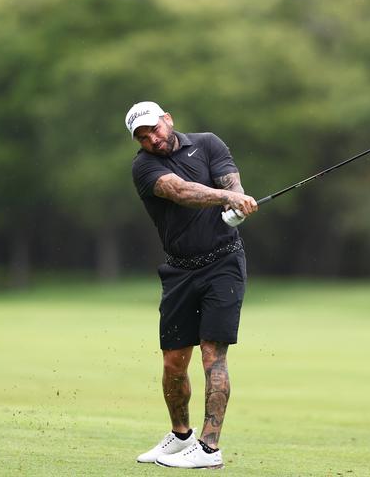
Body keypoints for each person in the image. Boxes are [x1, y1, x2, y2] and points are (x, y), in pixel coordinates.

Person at [125, 101, 258, 469]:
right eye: (142, 136)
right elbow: (181, 191)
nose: (152, 138)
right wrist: (227, 198)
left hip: (223, 264)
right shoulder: (144, 166)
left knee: (212, 355)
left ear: (168, 120)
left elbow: (231, 179)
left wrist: (236, 199)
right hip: (180, 271)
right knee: (173, 362)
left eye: (154, 128)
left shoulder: (208, 143)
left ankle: (209, 449)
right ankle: (181, 435)